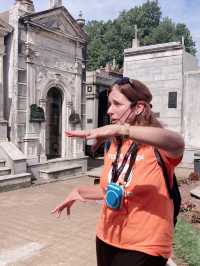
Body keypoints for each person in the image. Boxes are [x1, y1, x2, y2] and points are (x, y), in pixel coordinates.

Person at [52, 77, 184, 266]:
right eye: (109, 104)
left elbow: (177, 142)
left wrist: (120, 128)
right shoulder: (114, 143)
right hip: (107, 237)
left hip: (145, 245)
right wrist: (80, 192)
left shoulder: (158, 145)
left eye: (117, 104)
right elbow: (117, 189)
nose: (109, 110)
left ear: (138, 108)